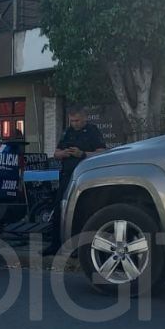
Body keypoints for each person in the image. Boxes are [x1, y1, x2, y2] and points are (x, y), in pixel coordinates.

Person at [46, 108, 107, 254]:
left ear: (84, 118)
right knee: (59, 209)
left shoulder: (92, 131)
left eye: (77, 120)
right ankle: (55, 246)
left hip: (85, 177)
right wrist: (64, 153)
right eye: (72, 121)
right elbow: (56, 153)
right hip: (67, 175)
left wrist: (82, 154)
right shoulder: (68, 132)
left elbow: (103, 153)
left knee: (80, 211)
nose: (74, 124)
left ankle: (78, 248)